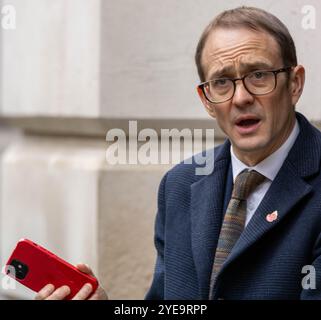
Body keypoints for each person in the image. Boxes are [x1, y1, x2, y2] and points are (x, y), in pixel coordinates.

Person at [36, 6, 321, 300]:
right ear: (206, 100)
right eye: (221, 82)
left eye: (259, 75)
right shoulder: (180, 185)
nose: (241, 97)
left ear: (295, 83)